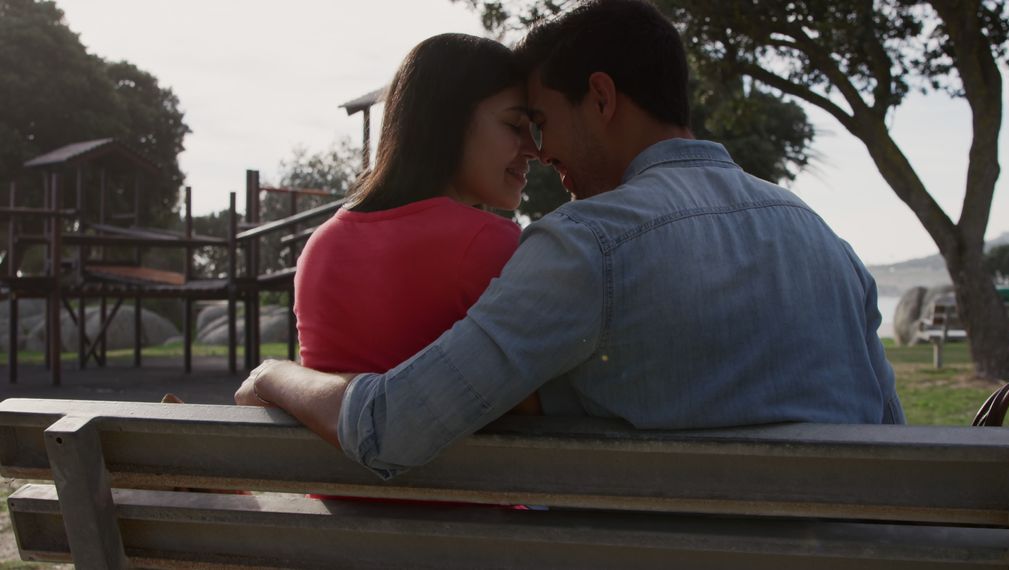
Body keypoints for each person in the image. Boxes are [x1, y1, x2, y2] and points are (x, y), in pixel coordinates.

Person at [236, 0, 905, 480]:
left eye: (542, 121)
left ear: (602, 98)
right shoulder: (825, 242)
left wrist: (273, 375)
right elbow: (899, 443)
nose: (539, 149)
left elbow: (389, 428)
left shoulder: (591, 245)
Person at [293, 33, 541, 415]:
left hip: (316, 472)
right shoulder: (489, 243)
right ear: (449, 120)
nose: (534, 150)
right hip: (451, 474)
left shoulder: (321, 246)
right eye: (514, 126)